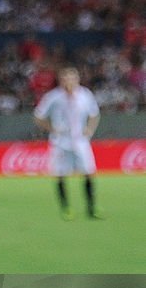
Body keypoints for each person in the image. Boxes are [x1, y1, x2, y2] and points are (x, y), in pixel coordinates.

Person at [34, 66, 102, 220]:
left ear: (77, 79)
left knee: (88, 172)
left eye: (72, 78)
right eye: (66, 78)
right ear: (61, 80)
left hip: (80, 141)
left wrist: (90, 129)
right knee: (60, 174)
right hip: (60, 142)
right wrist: (52, 128)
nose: (69, 81)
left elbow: (94, 114)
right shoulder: (53, 97)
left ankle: (91, 208)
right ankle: (66, 208)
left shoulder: (85, 95)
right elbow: (38, 116)